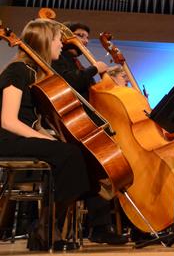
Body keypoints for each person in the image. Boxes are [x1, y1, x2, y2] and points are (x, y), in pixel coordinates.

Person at [0, 19, 91, 251]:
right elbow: (8, 120)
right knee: (69, 155)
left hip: (23, 137)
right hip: (7, 140)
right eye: (57, 39)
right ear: (44, 41)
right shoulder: (18, 71)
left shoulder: (37, 74)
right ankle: (45, 228)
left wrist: (50, 137)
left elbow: (34, 121)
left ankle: (47, 228)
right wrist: (45, 140)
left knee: (75, 152)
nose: (61, 44)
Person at [50, 21, 127, 245]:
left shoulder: (77, 63)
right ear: (65, 36)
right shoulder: (61, 60)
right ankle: (97, 228)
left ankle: (102, 227)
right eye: (79, 35)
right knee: (95, 171)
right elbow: (70, 83)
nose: (83, 40)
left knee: (102, 173)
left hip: (86, 126)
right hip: (75, 128)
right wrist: (95, 69)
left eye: (85, 37)